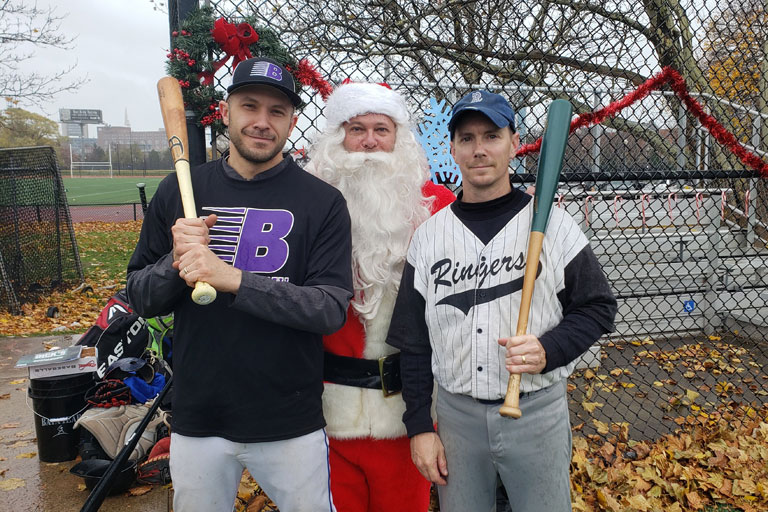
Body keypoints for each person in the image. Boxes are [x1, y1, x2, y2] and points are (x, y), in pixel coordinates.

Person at [126, 57, 353, 512]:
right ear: (226, 112)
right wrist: (176, 261)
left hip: (288, 417)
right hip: (200, 415)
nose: (262, 122)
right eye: (250, 106)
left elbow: (328, 309)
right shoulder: (180, 190)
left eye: (277, 111)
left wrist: (232, 279)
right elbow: (140, 297)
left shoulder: (322, 202)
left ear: (292, 121)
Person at [386, 90, 618, 512]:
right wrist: (420, 425)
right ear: (452, 148)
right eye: (467, 138)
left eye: (491, 136)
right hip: (456, 417)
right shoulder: (429, 237)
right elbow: (414, 342)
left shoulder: (554, 225)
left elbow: (598, 307)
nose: (479, 150)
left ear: (514, 143)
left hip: (536, 410)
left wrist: (550, 348)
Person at [307, 81, 454, 511]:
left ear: (399, 140)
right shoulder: (310, 207)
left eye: (381, 129)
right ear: (338, 139)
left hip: (406, 412)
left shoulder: (437, 207)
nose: (369, 142)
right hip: (323, 412)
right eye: (356, 129)